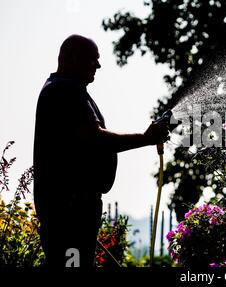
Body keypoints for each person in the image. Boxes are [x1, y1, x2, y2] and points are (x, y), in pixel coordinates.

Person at [33, 34, 169, 267]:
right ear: (73, 58)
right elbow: (95, 138)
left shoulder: (68, 90)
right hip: (69, 213)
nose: (98, 65)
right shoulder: (63, 90)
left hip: (73, 211)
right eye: (92, 59)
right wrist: (146, 139)